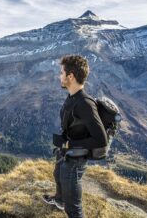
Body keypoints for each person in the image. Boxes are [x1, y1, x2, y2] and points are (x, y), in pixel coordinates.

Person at [43, 55, 107, 218]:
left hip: (76, 159)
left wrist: (70, 144)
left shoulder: (85, 103)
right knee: (58, 174)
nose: (60, 76)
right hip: (68, 152)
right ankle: (60, 200)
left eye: (62, 72)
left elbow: (101, 140)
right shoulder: (73, 97)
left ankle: (67, 204)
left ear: (70, 76)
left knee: (74, 210)